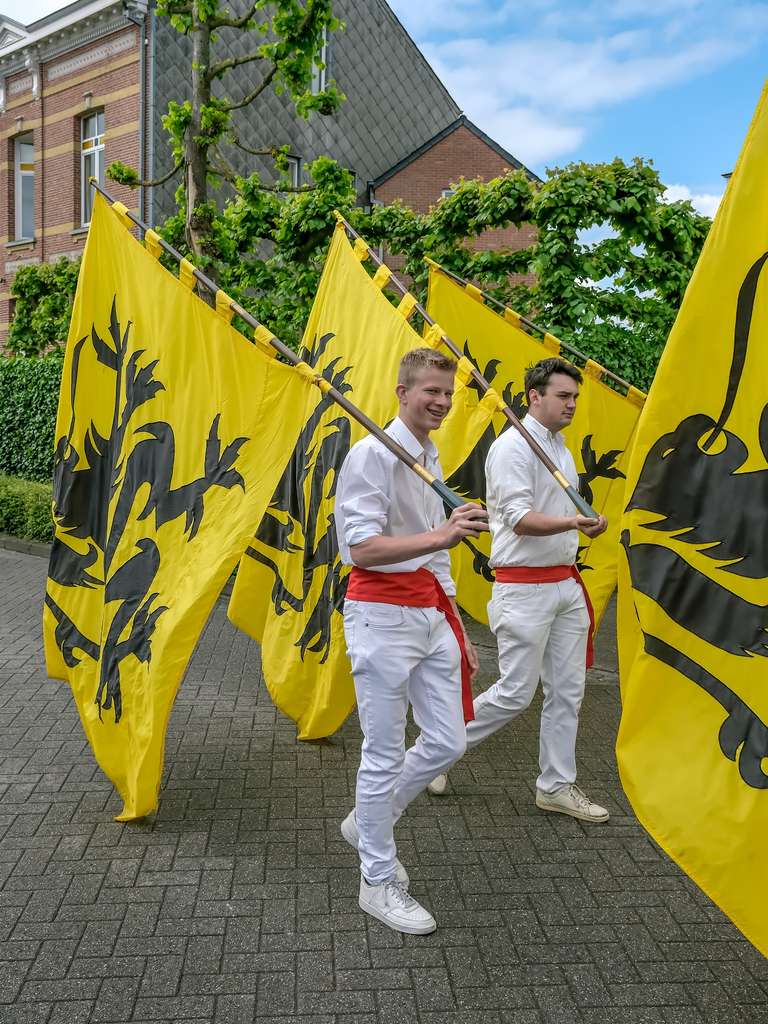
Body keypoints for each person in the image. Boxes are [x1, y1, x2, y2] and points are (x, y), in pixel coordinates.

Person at [335, 347, 488, 935]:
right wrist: (442, 534)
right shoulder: (372, 453)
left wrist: (457, 624)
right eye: (431, 391)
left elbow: (437, 557)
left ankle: (367, 821)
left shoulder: (428, 453)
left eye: (448, 393)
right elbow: (360, 549)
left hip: (429, 613)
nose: (442, 402)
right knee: (381, 751)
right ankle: (377, 879)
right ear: (402, 392)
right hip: (379, 616)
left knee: (448, 741)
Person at [429, 356, 610, 823]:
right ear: (534, 396)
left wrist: (582, 524)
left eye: (575, 397)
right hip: (524, 588)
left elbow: (553, 515)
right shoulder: (512, 447)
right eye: (563, 396)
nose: (572, 404)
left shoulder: (560, 448)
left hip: (566, 584)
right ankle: (437, 749)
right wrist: (576, 522)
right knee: (514, 692)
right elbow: (519, 520)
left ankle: (555, 786)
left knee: (568, 692)